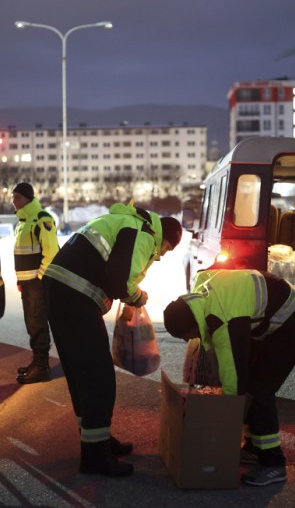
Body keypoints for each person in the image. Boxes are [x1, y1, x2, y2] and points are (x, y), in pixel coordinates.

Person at [43, 202, 183, 477]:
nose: (161, 256)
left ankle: (97, 440)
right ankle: (95, 457)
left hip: (61, 291)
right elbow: (121, 281)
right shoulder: (141, 231)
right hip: (74, 295)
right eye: (166, 249)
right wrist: (138, 298)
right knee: (98, 376)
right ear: (163, 237)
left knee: (82, 373)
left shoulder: (126, 223)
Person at [162, 269, 295, 487]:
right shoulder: (200, 298)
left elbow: (233, 379)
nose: (191, 339)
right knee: (251, 384)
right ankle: (253, 446)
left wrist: (226, 420)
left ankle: (273, 463)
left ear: (194, 322)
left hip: (291, 323)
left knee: (259, 390)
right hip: (267, 322)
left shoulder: (223, 320)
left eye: (190, 334)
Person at [12, 182, 59, 384]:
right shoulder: (22, 222)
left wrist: (39, 278)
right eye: (13, 198)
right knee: (32, 324)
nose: (14, 202)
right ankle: (38, 363)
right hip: (28, 283)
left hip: (36, 284)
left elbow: (51, 253)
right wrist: (22, 281)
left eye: (18, 198)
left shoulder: (41, 219)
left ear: (28, 198)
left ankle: (42, 368)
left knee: (37, 323)